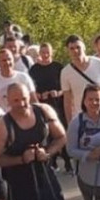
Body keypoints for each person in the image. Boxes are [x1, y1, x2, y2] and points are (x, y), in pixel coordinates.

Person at [29, 43, 73, 173]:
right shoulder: (34, 70)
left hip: (58, 104)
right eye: (42, 52)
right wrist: (39, 95)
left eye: (47, 52)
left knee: (61, 132)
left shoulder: (58, 67)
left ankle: (67, 162)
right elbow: (31, 89)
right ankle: (51, 162)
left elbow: (65, 88)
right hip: (42, 105)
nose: (45, 55)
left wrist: (57, 92)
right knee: (47, 133)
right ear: (39, 54)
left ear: (51, 52)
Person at [60, 35, 100, 123]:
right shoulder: (65, 72)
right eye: (72, 48)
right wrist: (70, 124)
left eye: (78, 47)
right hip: (81, 118)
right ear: (68, 51)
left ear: (84, 47)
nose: (75, 51)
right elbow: (67, 101)